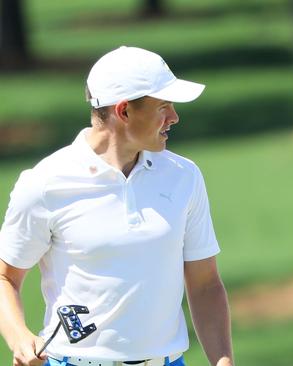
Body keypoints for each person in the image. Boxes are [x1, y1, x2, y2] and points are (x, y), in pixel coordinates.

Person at [0, 46, 234, 366]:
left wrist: (223, 361)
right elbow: (5, 277)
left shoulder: (184, 177)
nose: (174, 117)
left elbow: (205, 284)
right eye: (163, 106)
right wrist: (19, 338)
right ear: (124, 111)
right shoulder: (45, 184)